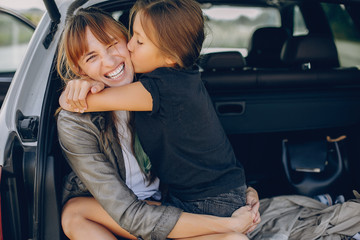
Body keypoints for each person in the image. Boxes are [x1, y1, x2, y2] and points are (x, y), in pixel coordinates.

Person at [57, 7, 260, 240]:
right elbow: (129, 213)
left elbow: (204, 152)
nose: (110, 61)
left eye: (114, 44)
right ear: (78, 69)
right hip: (128, 214)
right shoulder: (76, 124)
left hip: (171, 204)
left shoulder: (156, 85)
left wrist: (245, 193)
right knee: (73, 212)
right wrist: (227, 224)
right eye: (92, 57)